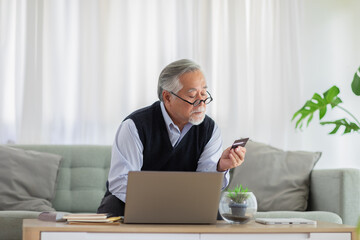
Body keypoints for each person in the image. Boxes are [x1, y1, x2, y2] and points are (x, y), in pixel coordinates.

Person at [97, 59, 246, 216]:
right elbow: (121, 182)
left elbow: (204, 185)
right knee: (113, 207)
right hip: (133, 204)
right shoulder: (134, 126)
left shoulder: (210, 129)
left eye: (203, 93)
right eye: (192, 95)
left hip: (185, 204)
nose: (201, 102)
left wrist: (220, 167)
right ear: (167, 97)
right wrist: (163, 206)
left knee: (216, 215)